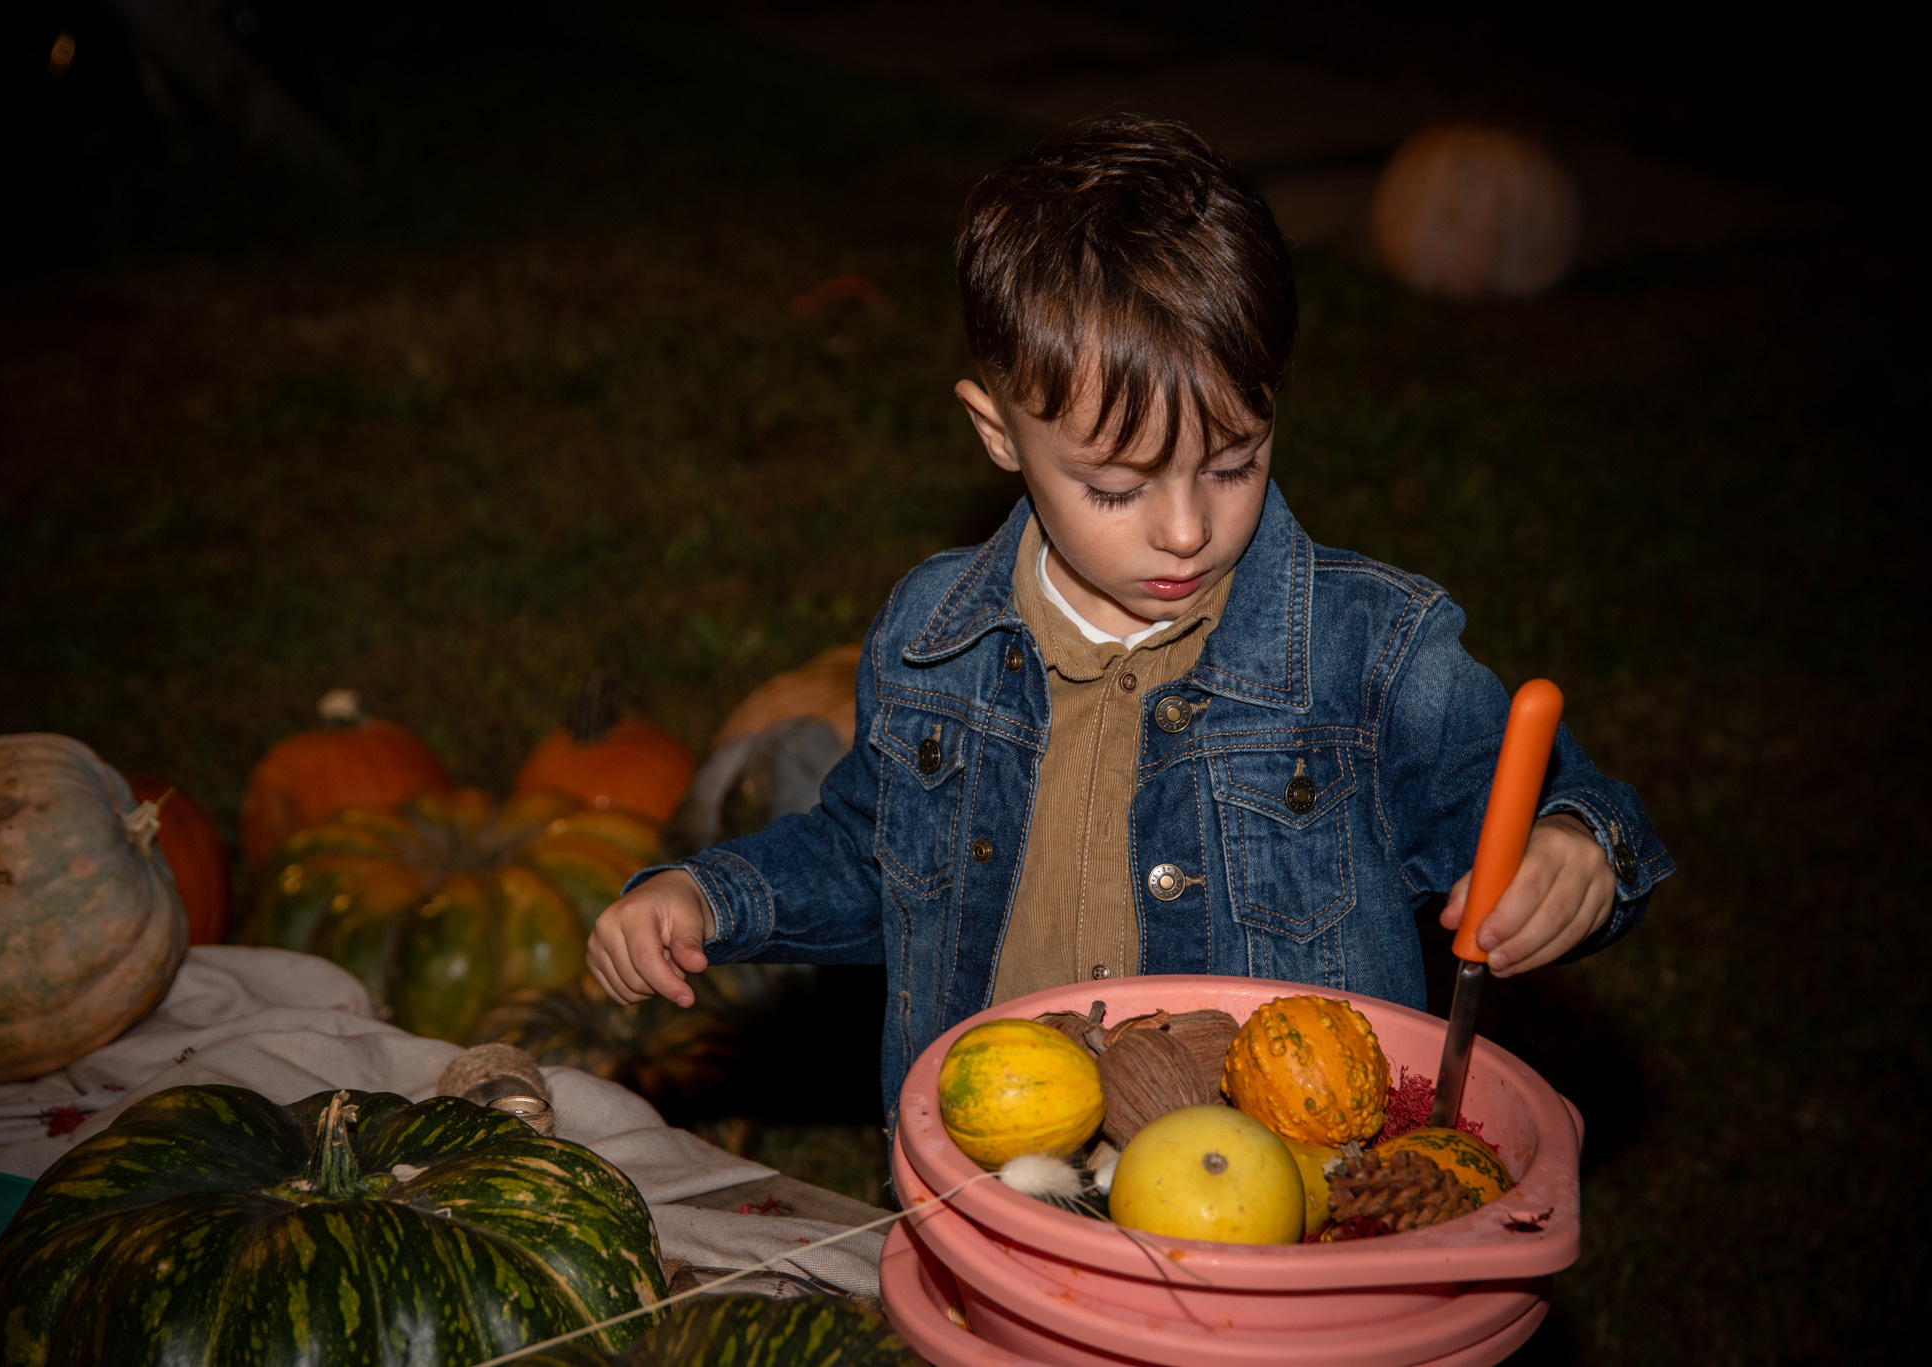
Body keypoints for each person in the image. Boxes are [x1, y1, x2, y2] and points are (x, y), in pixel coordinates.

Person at [588, 114, 1670, 1117]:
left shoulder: (1367, 656)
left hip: (1278, 1201)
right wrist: (705, 891)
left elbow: (1545, 803)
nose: (1186, 529)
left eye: (1234, 463)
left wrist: (1571, 847)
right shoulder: (934, 640)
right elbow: (870, 856)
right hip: (1000, 1177)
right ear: (996, 432)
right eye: (1116, 488)